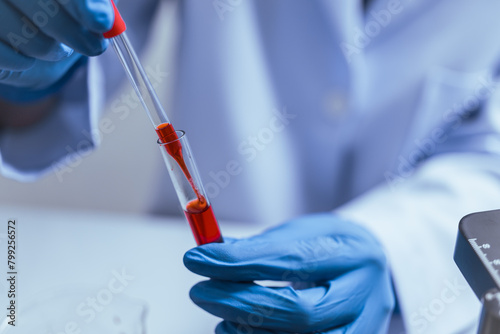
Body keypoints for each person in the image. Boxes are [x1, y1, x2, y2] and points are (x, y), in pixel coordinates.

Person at [1, 0, 500, 332]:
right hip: (184, 293)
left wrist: (397, 254)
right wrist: (24, 58)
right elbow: (90, 29)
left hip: (424, 296)